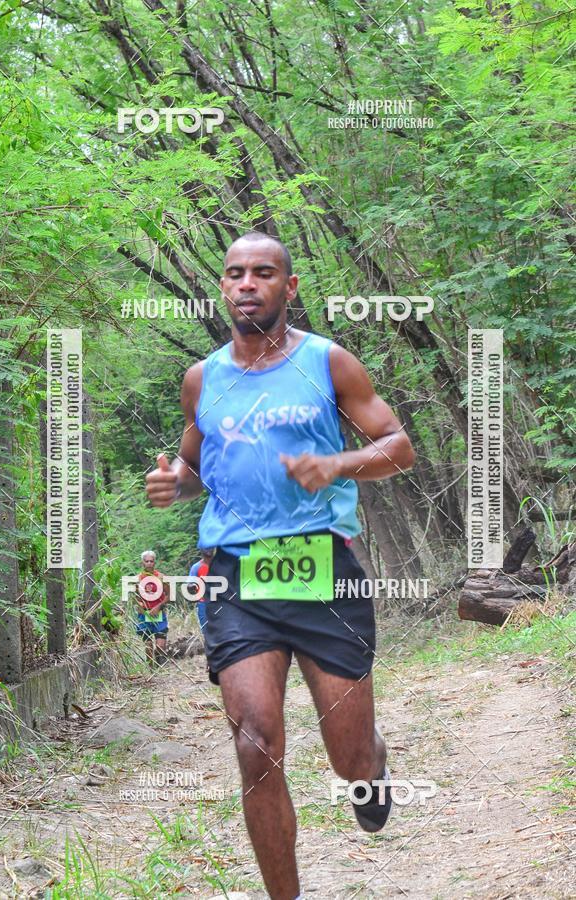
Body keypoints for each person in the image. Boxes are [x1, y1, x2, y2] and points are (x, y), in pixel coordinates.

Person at [146, 232, 415, 900]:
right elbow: (196, 470)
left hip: (321, 564)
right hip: (235, 573)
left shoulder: (328, 363)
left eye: (262, 273)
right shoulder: (202, 380)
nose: (246, 284)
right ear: (223, 287)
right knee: (255, 743)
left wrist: (338, 465)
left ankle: (370, 761)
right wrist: (174, 482)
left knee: (347, 758)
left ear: (287, 288)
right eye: (235, 273)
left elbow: (398, 446)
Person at [135, 550, 170, 666]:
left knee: (160, 646)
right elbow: (135, 597)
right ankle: (151, 670)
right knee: (148, 646)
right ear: (142, 563)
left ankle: (160, 665)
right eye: (147, 561)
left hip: (159, 614)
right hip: (144, 615)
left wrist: (158, 606)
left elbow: (169, 595)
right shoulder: (138, 579)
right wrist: (140, 605)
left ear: (155, 563)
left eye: (151, 561)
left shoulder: (161, 577)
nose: (149, 563)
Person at [188, 548, 214, 630]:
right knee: (206, 630)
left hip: (220, 602)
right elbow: (189, 583)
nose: (208, 550)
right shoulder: (196, 567)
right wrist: (191, 586)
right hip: (203, 603)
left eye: (210, 547)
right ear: (201, 550)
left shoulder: (221, 564)